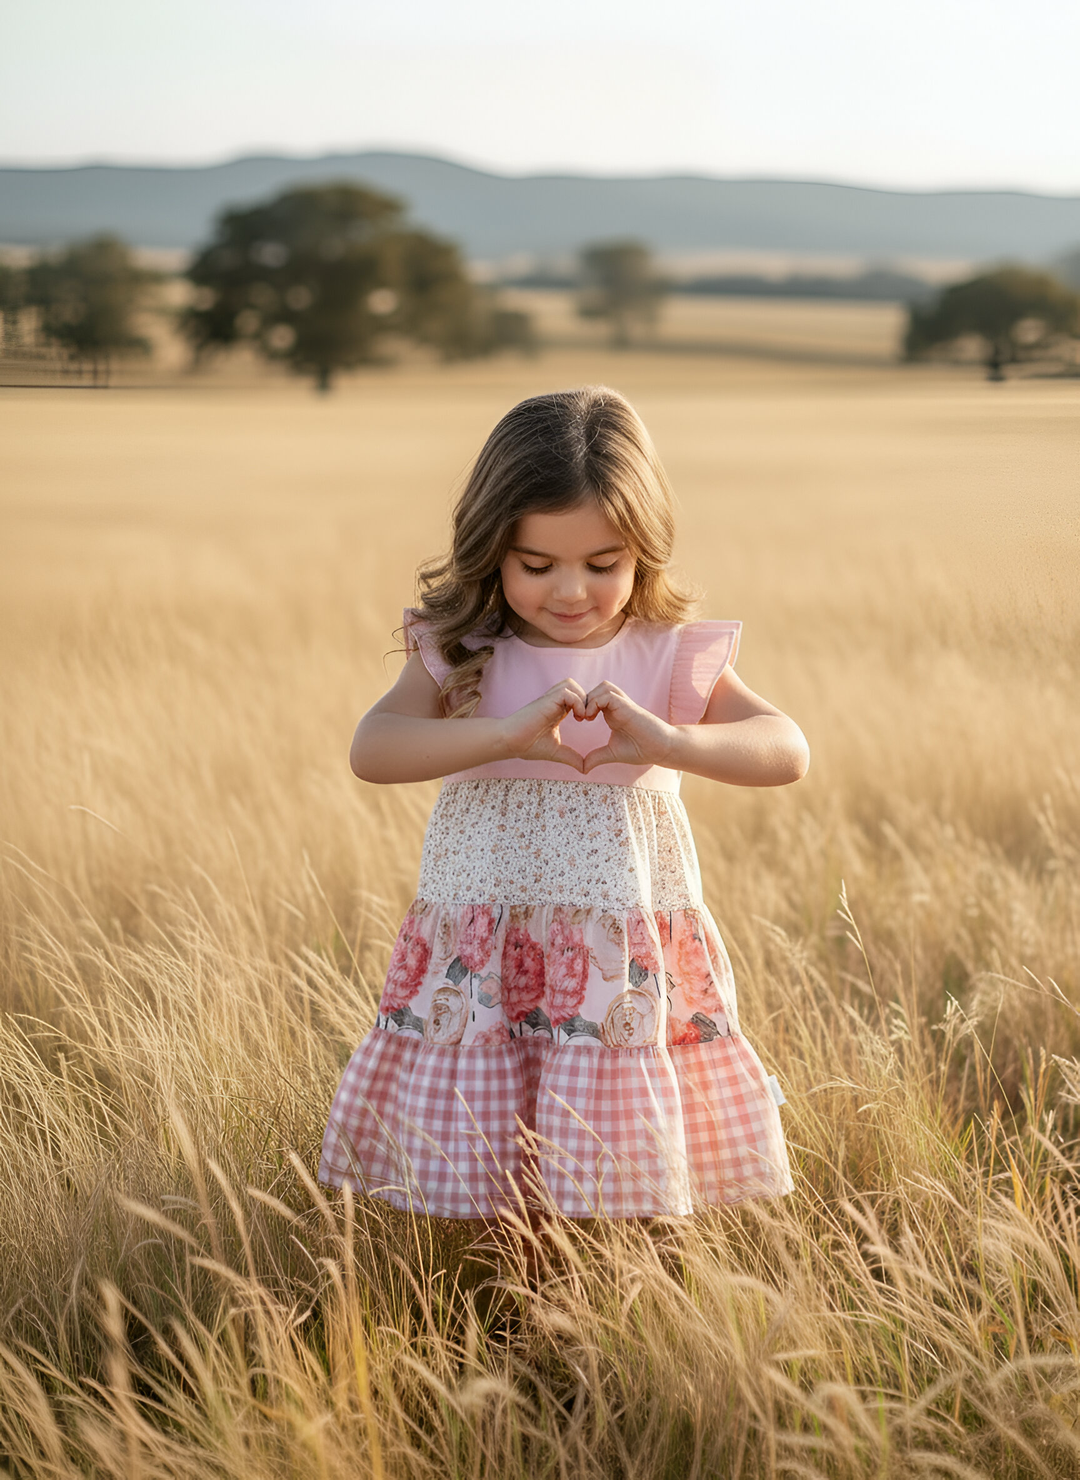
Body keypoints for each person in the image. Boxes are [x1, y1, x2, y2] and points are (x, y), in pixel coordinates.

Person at [319, 386, 809, 1220]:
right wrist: (504, 735)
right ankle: (519, 1317)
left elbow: (785, 749)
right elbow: (375, 748)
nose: (571, 592)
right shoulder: (465, 652)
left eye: (603, 563)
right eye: (537, 566)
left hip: (614, 953)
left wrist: (670, 743)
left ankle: (608, 1324)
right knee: (501, 1177)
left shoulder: (665, 655)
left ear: (644, 551)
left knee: (622, 1173)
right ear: (492, 551)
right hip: (492, 945)